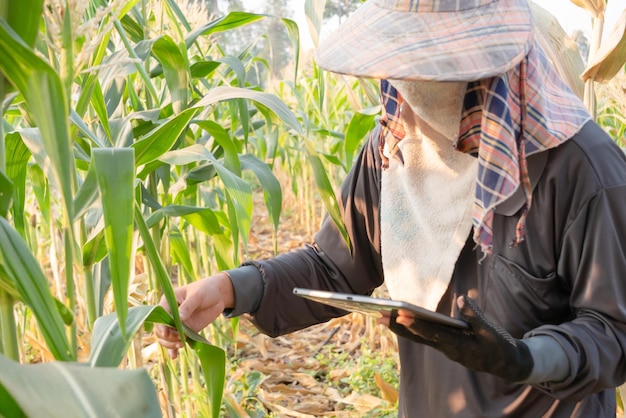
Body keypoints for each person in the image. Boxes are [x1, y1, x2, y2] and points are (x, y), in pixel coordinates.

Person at [156, 0, 626, 416]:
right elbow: (335, 266)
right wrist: (229, 288)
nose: (401, 106)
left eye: (421, 79)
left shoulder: (583, 171)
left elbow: (612, 329)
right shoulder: (395, 151)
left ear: (478, 71)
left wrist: (525, 358)